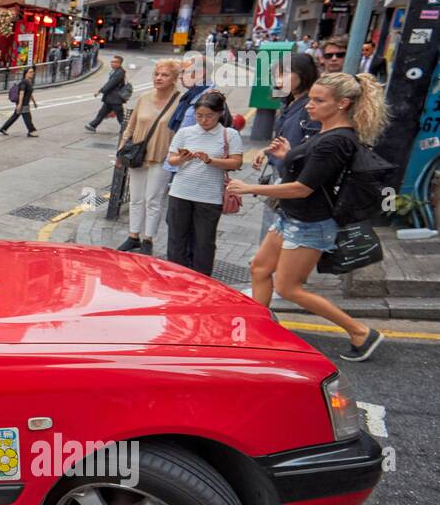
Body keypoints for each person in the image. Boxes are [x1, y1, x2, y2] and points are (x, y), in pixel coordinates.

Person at [229, 73, 389, 362]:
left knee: (288, 288)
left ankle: (361, 332)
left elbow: (303, 188)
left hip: (309, 225)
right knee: (259, 268)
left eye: (318, 100)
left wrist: (249, 187)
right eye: (311, 98)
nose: (309, 105)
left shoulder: (336, 141)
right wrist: (288, 154)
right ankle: (257, 330)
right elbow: (309, 173)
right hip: (291, 217)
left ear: (342, 104)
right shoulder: (325, 132)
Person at [164, 91, 243, 277]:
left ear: (220, 113)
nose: (204, 120)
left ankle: (201, 280)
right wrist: (181, 158)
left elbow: (236, 162)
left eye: (209, 116)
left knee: (204, 242)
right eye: (199, 115)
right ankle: (175, 276)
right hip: (180, 192)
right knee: (176, 239)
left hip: (209, 197)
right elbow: (170, 159)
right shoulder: (185, 132)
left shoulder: (229, 134)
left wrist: (211, 161)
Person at [115, 59, 181, 255]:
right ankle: (133, 236)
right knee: (136, 198)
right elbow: (131, 126)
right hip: (137, 155)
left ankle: (148, 240)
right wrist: (120, 151)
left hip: (162, 156)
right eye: (157, 74)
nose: (159, 78)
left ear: (175, 79)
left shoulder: (180, 101)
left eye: (165, 75)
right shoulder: (143, 98)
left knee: (153, 199)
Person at [252, 52, 320, 237]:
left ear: (304, 74)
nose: (279, 79)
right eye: (277, 74)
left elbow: (311, 148)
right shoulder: (290, 102)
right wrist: (267, 150)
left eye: (285, 73)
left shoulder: (309, 108)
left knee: (276, 233)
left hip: (292, 180)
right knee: (271, 230)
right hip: (281, 174)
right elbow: (287, 138)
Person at [85, 55, 128, 133]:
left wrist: (100, 91)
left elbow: (111, 84)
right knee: (102, 112)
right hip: (111, 98)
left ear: (119, 63)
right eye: (112, 62)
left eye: (115, 62)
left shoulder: (119, 73)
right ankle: (93, 125)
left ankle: (127, 130)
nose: (112, 63)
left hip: (115, 98)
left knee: (120, 116)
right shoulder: (117, 71)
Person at [0, 66, 38, 137]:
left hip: (24, 103)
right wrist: (20, 104)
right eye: (30, 72)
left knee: (15, 116)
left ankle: (3, 128)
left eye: (32, 72)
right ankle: (31, 131)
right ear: (26, 73)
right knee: (27, 117)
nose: (32, 73)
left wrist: (34, 102)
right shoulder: (24, 82)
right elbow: (21, 93)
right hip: (23, 103)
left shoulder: (29, 82)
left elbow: (30, 93)